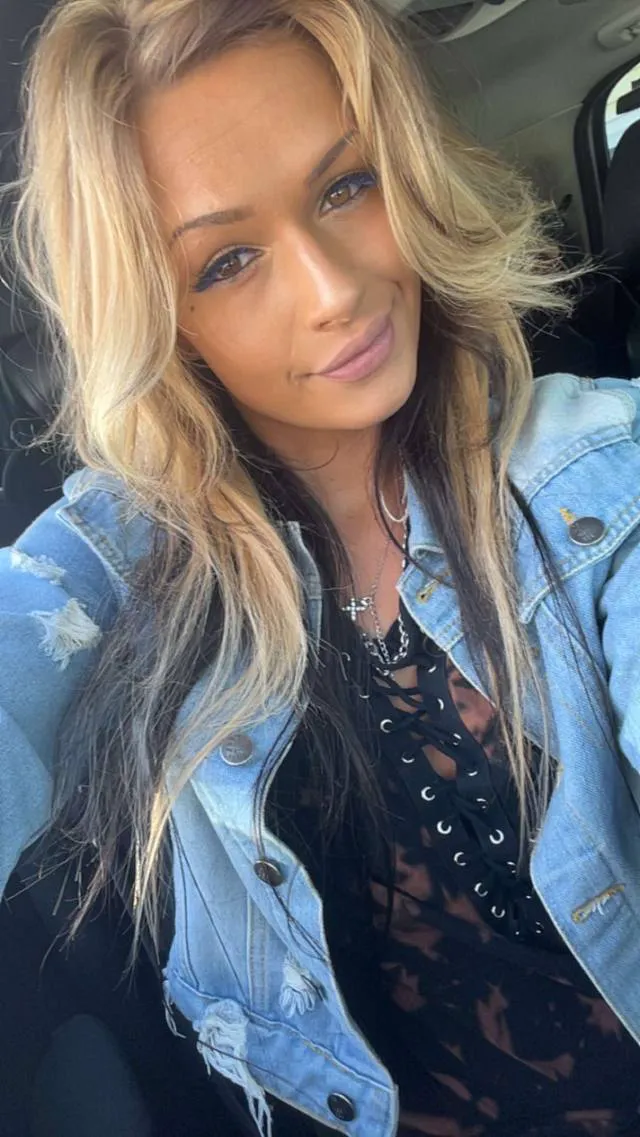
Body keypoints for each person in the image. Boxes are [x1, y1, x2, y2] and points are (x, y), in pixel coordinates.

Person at [1, 1, 640, 1134]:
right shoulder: (116, 559)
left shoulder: (595, 471)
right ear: (160, 319)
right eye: (228, 260)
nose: (333, 289)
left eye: (347, 186)